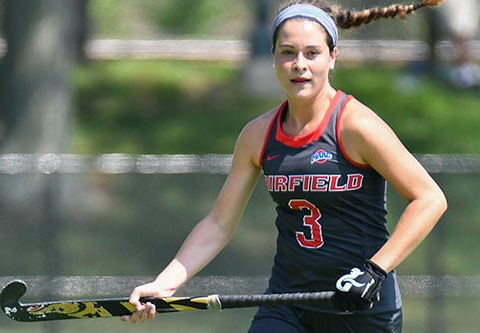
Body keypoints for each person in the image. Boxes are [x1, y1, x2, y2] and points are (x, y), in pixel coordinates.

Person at [122, 1, 447, 332]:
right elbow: (219, 224)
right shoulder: (258, 134)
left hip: (361, 308)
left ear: (333, 57)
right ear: (273, 55)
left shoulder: (356, 126)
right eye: (288, 52)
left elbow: (429, 199)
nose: (299, 65)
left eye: (312, 53)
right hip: (287, 303)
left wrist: (375, 271)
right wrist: (166, 283)